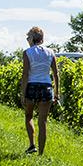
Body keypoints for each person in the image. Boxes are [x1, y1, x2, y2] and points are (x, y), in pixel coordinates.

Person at [19, 26, 59, 155]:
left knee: (29, 116)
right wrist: (57, 93)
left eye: (28, 37)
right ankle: (41, 153)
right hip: (46, 87)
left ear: (32, 38)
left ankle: (32, 145)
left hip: (32, 87)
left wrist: (23, 93)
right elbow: (56, 74)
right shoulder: (50, 52)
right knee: (43, 121)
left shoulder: (27, 53)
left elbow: (25, 74)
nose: (27, 39)